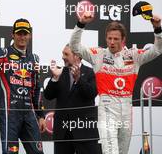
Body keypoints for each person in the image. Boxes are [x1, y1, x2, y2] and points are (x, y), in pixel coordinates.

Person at [69, 12, 162, 154]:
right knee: (111, 151)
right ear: (106, 38)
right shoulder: (98, 55)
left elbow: (157, 50)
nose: (112, 42)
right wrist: (81, 24)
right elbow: (75, 46)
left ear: (123, 40)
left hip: (126, 112)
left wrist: (157, 29)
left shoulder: (134, 55)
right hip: (107, 112)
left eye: (116, 39)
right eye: (109, 38)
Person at [0, 18, 45, 154]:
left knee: (38, 152)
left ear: (30, 35)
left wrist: (41, 115)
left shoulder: (34, 59)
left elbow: (36, 89)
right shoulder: (3, 54)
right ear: (13, 35)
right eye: (19, 33)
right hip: (9, 114)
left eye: (25, 33)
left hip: (29, 114)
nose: (22, 37)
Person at [44, 44, 102, 154]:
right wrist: (55, 78)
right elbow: (48, 95)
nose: (62, 57)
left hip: (84, 131)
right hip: (63, 133)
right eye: (62, 53)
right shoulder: (60, 72)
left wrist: (78, 79)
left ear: (77, 56)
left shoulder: (90, 72)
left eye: (66, 54)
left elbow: (91, 93)